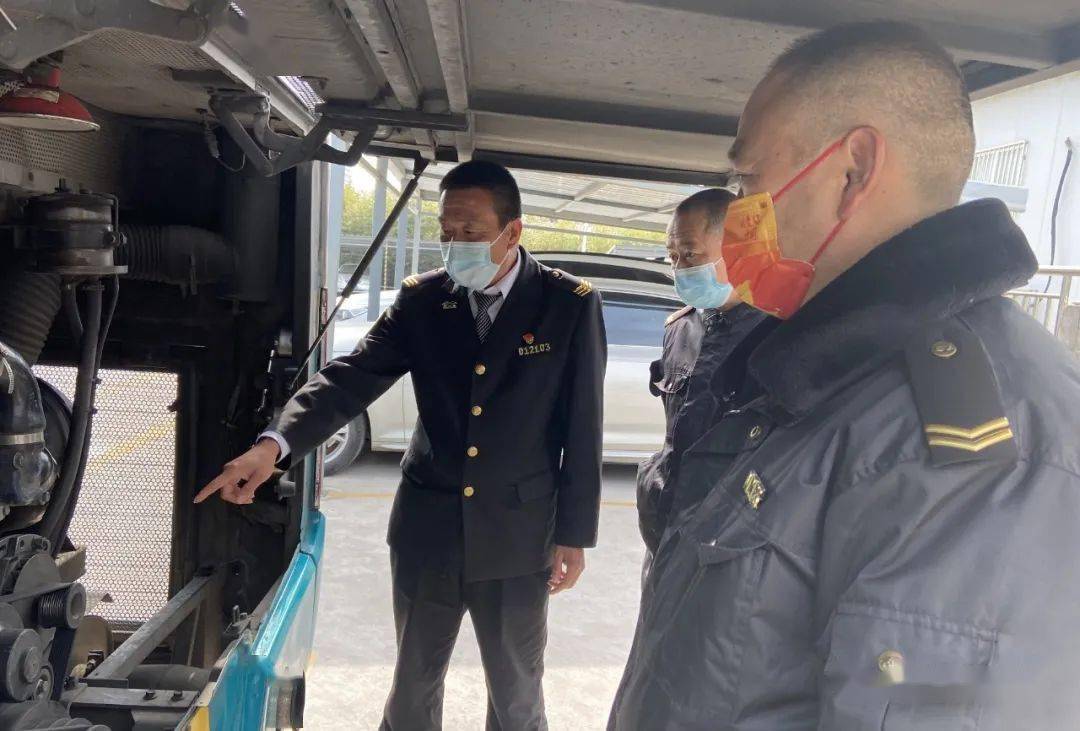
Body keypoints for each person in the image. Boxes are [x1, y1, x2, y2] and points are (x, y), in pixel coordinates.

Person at [610, 21, 1080, 730]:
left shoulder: (968, 446)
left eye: (748, 181)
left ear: (853, 171)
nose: (739, 216)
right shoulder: (832, 374)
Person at [196, 160, 607, 731]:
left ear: (512, 231)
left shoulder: (568, 304)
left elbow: (583, 427)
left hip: (518, 533)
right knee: (413, 685)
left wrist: (574, 534)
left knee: (517, 694)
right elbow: (352, 377)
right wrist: (273, 446)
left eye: (471, 231)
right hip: (427, 527)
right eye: (447, 231)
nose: (455, 243)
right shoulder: (424, 300)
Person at [637, 189, 765, 569]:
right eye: (673, 257)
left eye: (690, 255)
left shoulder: (781, 335)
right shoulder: (679, 329)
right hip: (665, 530)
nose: (679, 268)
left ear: (738, 249)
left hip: (733, 546)